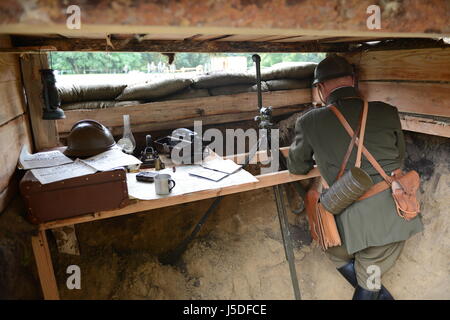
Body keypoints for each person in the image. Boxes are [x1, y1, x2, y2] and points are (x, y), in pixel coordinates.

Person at [287, 55, 423, 300]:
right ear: (353, 80)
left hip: (340, 217)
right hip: (389, 215)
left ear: (320, 89)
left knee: (338, 254)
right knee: (369, 276)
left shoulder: (309, 121)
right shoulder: (386, 111)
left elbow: (297, 166)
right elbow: (399, 155)